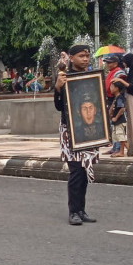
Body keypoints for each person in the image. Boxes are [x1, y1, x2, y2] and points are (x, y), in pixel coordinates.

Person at [54, 45, 98, 225]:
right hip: (70, 131)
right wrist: (57, 88)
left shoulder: (92, 77)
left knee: (85, 169)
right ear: (71, 58)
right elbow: (58, 106)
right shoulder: (64, 77)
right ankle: (73, 211)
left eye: (87, 56)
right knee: (76, 171)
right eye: (81, 56)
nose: (85, 59)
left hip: (88, 129)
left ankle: (81, 209)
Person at [112, 53, 133, 157]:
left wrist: (120, 80)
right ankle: (132, 146)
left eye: (125, 61)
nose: (124, 63)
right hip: (131, 96)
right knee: (130, 123)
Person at [109, 81, 127, 158]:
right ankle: (128, 148)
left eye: (112, 87)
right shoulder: (116, 98)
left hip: (120, 120)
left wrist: (116, 117)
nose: (110, 88)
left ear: (117, 88)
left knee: (120, 135)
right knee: (118, 136)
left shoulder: (120, 97)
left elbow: (122, 108)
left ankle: (121, 152)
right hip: (116, 121)